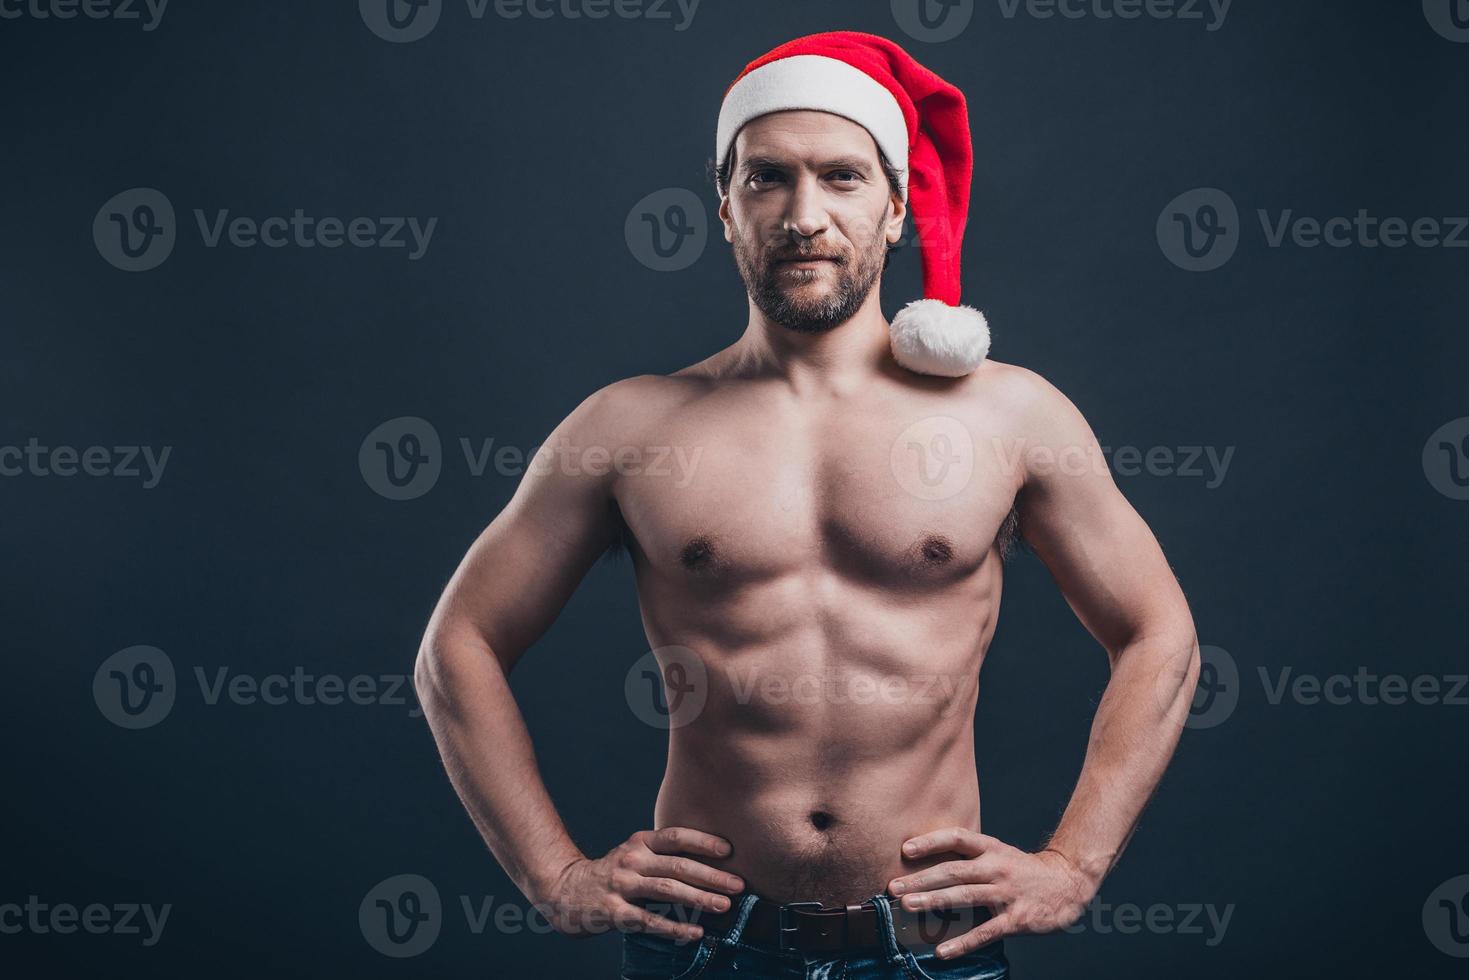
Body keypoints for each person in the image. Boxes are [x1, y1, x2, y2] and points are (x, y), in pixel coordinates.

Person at [415, 30, 1200, 979]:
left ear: (898, 205)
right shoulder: (629, 426)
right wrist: (553, 874)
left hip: (929, 948)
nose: (803, 216)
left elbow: (1159, 634)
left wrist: (1073, 866)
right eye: (767, 179)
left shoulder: (1010, 413)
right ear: (723, 208)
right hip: (704, 947)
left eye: (841, 177)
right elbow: (454, 647)